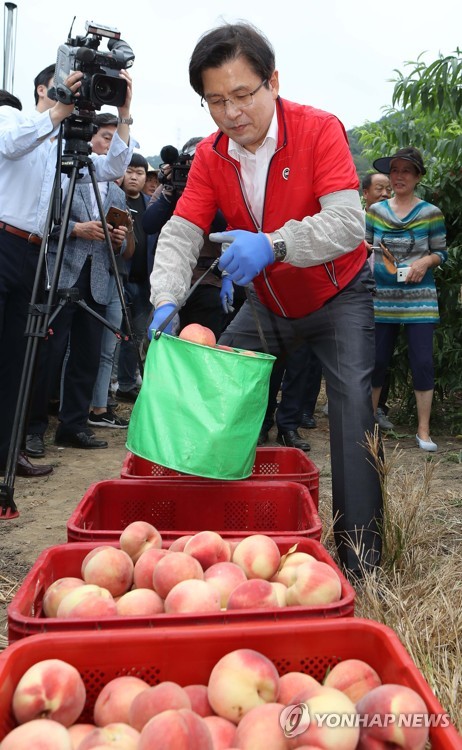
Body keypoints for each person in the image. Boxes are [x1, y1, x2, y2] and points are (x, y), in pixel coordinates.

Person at [149, 21, 383, 576]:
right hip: (267, 304)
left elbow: (348, 224)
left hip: (337, 295)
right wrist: (165, 298)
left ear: (272, 82)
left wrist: (276, 244)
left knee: (352, 417)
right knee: (214, 389)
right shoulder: (212, 155)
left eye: (242, 95)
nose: (231, 113)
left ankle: (361, 566)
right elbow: (183, 230)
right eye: (215, 101)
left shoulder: (318, 129)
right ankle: (215, 543)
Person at [0, 63, 135, 477]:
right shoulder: (13, 116)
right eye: (69, 87)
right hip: (4, 240)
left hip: (35, 255)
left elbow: (112, 167)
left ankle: (8, 453)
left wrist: (125, 111)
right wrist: (57, 111)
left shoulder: (63, 143)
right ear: (46, 87)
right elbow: (10, 144)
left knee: (17, 359)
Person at [25, 113, 134, 454]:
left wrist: (118, 238)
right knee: (48, 355)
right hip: (60, 275)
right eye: (106, 136)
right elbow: (40, 223)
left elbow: (123, 245)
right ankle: (33, 429)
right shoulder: (62, 173)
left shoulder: (115, 194)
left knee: (87, 357)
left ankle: (74, 425)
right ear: (90, 139)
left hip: (99, 279)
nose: (111, 143)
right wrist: (75, 229)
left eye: (116, 138)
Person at [366, 147, 447, 452]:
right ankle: (368, 426)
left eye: (406, 171)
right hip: (381, 298)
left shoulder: (430, 213)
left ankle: (423, 431)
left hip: (419, 299)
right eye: (395, 170)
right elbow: (364, 245)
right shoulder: (375, 211)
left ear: (418, 177)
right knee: (375, 362)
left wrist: (424, 263)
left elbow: (441, 252)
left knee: (423, 362)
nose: (398, 176)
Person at [142, 137, 227, 339]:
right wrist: (170, 194)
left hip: (207, 279)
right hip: (170, 278)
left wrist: (202, 198)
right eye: (189, 161)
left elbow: (224, 225)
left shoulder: (218, 187)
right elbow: (149, 224)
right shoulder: (167, 188)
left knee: (202, 344)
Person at [115, 154, 156, 402]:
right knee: (114, 334)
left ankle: (127, 383)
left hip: (144, 281)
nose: (134, 177)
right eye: (129, 171)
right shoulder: (114, 199)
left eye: (139, 173)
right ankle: (108, 384)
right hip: (118, 277)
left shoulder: (151, 204)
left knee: (137, 335)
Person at [362, 172, 394, 431]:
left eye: (388, 189)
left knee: (383, 355)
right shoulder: (356, 221)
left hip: (389, 297)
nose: (385, 194)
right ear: (365, 194)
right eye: (379, 188)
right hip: (360, 296)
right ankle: (356, 405)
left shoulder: (395, 221)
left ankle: (378, 407)